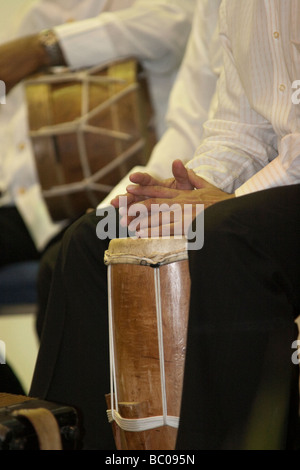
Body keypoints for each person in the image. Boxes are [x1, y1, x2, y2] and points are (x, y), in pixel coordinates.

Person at [31, 0, 300, 450]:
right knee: (94, 237)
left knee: (223, 239)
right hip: (265, 199)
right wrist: (182, 195)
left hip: (274, 199)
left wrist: (223, 203)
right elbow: (238, 129)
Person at [0, 0, 194, 393]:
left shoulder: (157, 8)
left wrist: (45, 47)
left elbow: (172, 25)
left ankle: (63, 420)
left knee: (64, 267)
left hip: (115, 198)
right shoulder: (35, 12)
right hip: (27, 206)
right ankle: (17, 414)